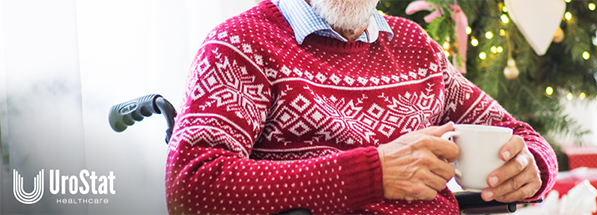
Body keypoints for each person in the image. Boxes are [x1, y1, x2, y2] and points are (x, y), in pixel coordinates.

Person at [165, 0, 558, 214]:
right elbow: (191, 186)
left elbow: (522, 136)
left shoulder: (414, 45)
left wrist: (533, 169)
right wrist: (374, 173)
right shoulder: (241, 43)